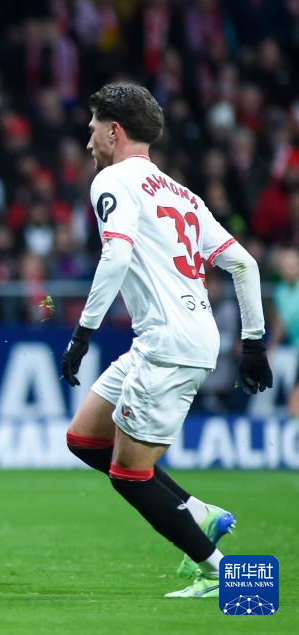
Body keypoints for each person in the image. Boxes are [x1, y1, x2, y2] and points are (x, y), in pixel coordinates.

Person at [59, 82, 273, 599]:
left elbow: (116, 255)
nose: (88, 140)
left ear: (114, 131)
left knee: (128, 475)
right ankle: (199, 513)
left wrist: (83, 333)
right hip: (171, 337)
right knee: (84, 438)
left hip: (168, 345)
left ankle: (219, 573)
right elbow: (244, 264)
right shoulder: (181, 193)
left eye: (93, 128)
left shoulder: (113, 180)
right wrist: (253, 342)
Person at [269, 248, 299, 417]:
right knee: (294, 400)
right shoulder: (280, 292)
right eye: (284, 267)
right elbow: (280, 324)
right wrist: (270, 349)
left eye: (291, 266)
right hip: (295, 350)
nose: (287, 270)